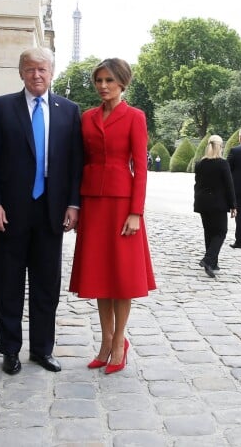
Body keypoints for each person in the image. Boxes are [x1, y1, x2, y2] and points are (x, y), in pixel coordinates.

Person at [0, 47, 83, 375]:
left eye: (42, 69)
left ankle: (42, 349)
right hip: (9, 213)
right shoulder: (0, 108)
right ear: (21, 72)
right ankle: (9, 351)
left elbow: (74, 163)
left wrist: (72, 203)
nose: (36, 75)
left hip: (51, 213)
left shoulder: (69, 110)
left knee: (45, 287)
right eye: (29, 69)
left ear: (52, 72)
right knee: (8, 285)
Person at [69, 58, 155, 374]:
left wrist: (136, 212)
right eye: (99, 81)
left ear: (122, 83)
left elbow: (141, 168)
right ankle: (105, 340)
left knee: (121, 277)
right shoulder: (87, 117)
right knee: (99, 276)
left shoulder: (135, 117)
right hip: (92, 202)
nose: (103, 86)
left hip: (122, 204)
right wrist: (75, 205)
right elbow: (78, 161)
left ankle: (119, 341)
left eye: (109, 81)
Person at [194, 135, 237, 278]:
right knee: (220, 232)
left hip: (203, 202)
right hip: (217, 202)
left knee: (209, 232)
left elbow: (197, 184)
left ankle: (213, 263)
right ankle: (208, 259)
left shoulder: (200, 163)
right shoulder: (222, 163)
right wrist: (233, 205)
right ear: (220, 146)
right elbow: (229, 186)